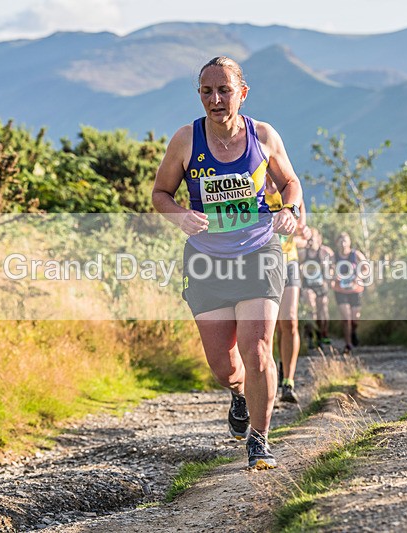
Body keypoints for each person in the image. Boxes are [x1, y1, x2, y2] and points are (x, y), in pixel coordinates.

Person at [152, 56, 303, 469]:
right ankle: (239, 394)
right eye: (207, 91)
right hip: (208, 262)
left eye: (224, 90)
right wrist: (180, 215)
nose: (216, 99)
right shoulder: (186, 140)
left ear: (242, 93)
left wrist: (288, 208)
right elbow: (160, 194)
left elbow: (291, 182)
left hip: (259, 252)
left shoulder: (264, 135)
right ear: (199, 95)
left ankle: (260, 439)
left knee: (257, 353)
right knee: (224, 366)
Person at [265, 180, 311, 404]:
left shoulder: (292, 192)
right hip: (263, 262)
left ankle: (288, 382)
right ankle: (268, 376)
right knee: (267, 325)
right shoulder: (253, 188)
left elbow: (303, 232)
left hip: (289, 261)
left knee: (289, 321)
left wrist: (305, 231)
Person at [299, 227, 335, 349]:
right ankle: (310, 336)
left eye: (312, 240)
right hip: (308, 285)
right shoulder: (304, 253)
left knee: (323, 310)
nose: (310, 242)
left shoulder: (325, 252)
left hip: (321, 285)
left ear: (319, 239)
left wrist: (330, 274)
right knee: (311, 309)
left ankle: (322, 334)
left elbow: (334, 265)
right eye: (308, 240)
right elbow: (294, 265)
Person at [332, 232, 366, 354]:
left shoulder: (355, 255)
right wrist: (334, 277)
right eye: (340, 241)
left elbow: (366, 268)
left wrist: (359, 276)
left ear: (349, 242)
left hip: (355, 289)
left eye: (345, 240)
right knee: (346, 318)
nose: (343, 243)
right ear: (337, 243)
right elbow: (328, 270)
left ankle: (353, 331)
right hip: (340, 290)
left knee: (354, 319)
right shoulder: (334, 256)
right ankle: (348, 344)